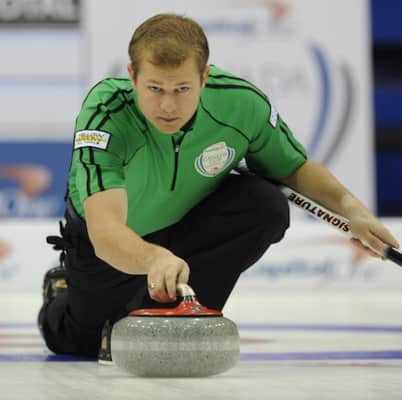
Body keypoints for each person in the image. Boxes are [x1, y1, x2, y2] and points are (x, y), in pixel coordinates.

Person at [38, 13, 400, 362]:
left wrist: (352, 210)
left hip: (187, 224)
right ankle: (61, 294)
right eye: (155, 88)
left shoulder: (240, 104)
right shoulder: (106, 114)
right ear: (132, 76)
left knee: (265, 205)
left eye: (182, 88)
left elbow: (294, 169)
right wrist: (154, 259)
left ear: (204, 77)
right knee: (80, 341)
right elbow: (106, 233)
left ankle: (169, 320)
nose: (168, 105)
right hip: (112, 247)